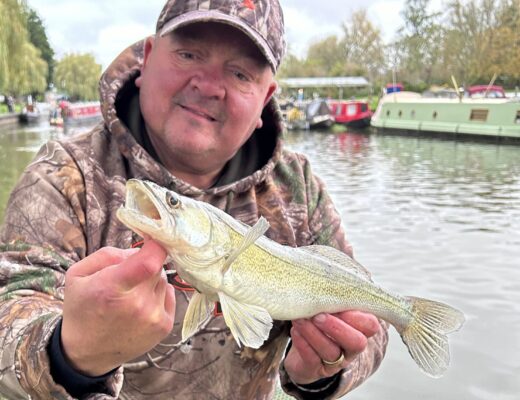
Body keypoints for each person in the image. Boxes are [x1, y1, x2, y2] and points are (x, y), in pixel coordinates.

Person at [0, 0, 388, 398]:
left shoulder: (298, 188)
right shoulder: (63, 176)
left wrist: (320, 371)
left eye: (239, 73)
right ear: (148, 58)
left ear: (264, 97)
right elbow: (10, 309)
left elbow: (372, 315)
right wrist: (69, 355)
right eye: (189, 54)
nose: (208, 86)